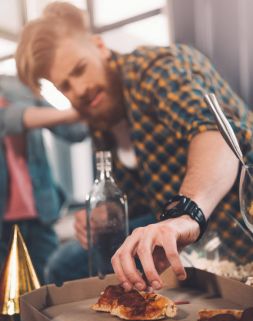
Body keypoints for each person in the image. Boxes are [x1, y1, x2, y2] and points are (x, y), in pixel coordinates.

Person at [15, 2, 253, 290]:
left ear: (99, 45)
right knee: (64, 264)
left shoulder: (159, 68)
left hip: (237, 227)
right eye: (65, 86)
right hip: (190, 241)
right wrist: (108, 214)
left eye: (79, 70)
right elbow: (147, 196)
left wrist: (185, 213)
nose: (77, 90)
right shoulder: (101, 116)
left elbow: (216, 136)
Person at [0, 74, 88, 283]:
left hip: (40, 214)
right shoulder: (18, 101)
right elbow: (10, 119)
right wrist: (72, 113)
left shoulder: (16, 86)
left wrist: (68, 91)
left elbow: (76, 131)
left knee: (49, 289)